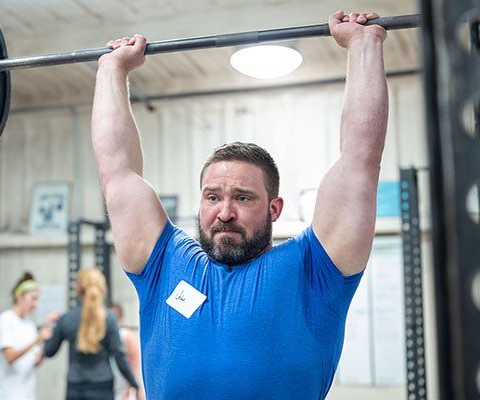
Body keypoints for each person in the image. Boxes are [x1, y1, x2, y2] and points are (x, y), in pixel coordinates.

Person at [91, 10, 388, 399]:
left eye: (242, 198)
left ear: (274, 209)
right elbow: (118, 171)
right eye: (213, 197)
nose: (224, 212)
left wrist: (363, 45)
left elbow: (360, 161)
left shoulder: (314, 271)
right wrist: (112, 69)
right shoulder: (163, 263)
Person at [44, 268, 139, 400]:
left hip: (75, 387)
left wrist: (48, 326)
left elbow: (49, 351)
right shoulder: (110, 318)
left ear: (78, 291)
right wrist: (135, 385)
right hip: (102, 387)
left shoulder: (66, 318)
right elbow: (119, 357)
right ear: (102, 289)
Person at [0, 272, 58, 400]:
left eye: (37, 299)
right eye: (33, 299)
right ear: (19, 297)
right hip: (6, 395)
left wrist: (47, 327)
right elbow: (10, 356)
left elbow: (35, 361)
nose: (36, 304)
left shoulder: (29, 325)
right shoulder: (5, 320)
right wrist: (37, 340)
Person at [109, 304, 143, 400]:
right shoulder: (106, 334)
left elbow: (134, 360)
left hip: (124, 385)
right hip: (111, 384)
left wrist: (130, 386)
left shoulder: (126, 334)